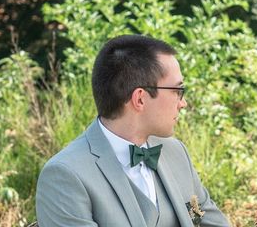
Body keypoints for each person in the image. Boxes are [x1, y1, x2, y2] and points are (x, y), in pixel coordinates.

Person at [36, 34, 230, 227]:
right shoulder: (65, 175)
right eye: (177, 91)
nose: (183, 103)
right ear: (140, 99)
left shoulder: (176, 152)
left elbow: (210, 222)